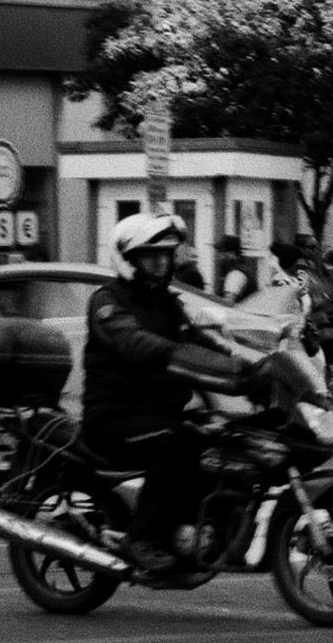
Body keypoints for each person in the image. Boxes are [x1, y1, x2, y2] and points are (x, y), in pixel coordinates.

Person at [81, 210, 250, 563]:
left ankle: (199, 526)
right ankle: (142, 539)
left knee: (227, 438)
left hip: (158, 414)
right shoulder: (108, 301)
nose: (160, 263)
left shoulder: (168, 304)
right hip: (114, 418)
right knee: (177, 443)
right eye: (150, 256)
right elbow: (135, 342)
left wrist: (251, 367)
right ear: (129, 259)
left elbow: (203, 342)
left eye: (164, 255)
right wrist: (179, 354)